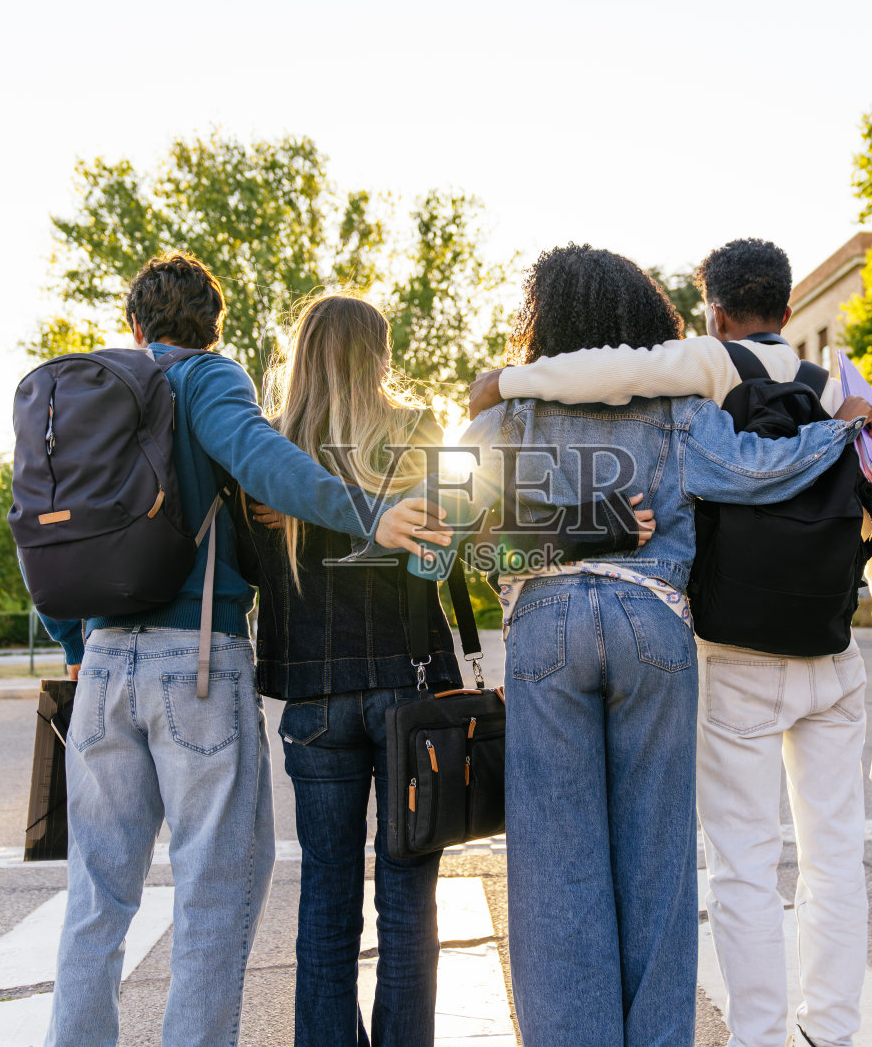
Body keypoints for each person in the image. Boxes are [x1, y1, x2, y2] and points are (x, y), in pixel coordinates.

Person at [469, 237, 872, 1047]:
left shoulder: (508, 413)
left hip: (545, 632)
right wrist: (837, 439)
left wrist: (566, 532)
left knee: (556, 864)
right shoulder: (686, 406)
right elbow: (755, 470)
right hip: (659, 629)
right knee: (660, 867)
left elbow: (462, 544)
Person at [35, 254, 449, 1047]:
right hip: (197, 663)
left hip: (106, 662)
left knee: (96, 896)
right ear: (212, 330)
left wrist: (75, 643)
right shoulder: (209, 384)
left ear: (135, 327)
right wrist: (369, 512)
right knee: (215, 895)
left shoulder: (89, 392)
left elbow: (43, 524)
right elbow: (266, 467)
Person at [245, 293, 655, 1047]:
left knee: (324, 902)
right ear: (379, 357)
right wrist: (606, 523)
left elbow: (246, 573)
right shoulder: (413, 434)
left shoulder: (268, 457)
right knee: (407, 904)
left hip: (312, 700)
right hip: (411, 693)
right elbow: (471, 545)